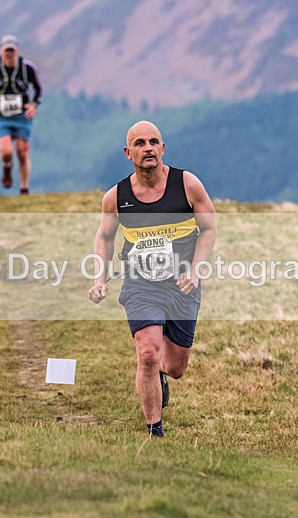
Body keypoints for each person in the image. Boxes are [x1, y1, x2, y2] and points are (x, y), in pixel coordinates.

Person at [89, 121, 217, 437]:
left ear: (162, 148)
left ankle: (160, 373)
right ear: (128, 152)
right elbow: (104, 237)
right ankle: (154, 431)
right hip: (140, 283)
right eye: (140, 143)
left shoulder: (187, 185)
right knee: (147, 352)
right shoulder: (116, 197)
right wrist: (100, 278)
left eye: (153, 142)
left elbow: (209, 229)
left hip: (181, 285)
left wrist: (197, 269)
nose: (148, 148)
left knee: (175, 367)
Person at [0, 35, 44, 195]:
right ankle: (7, 167)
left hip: (22, 116)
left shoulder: (27, 68)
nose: (9, 54)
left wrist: (34, 105)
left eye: (12, 50)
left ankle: (24, 187)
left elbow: (38, 88)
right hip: (2, 117)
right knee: (6, 151)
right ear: (1, 51)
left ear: (17, 51)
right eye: (6, 50)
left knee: (23, 152)